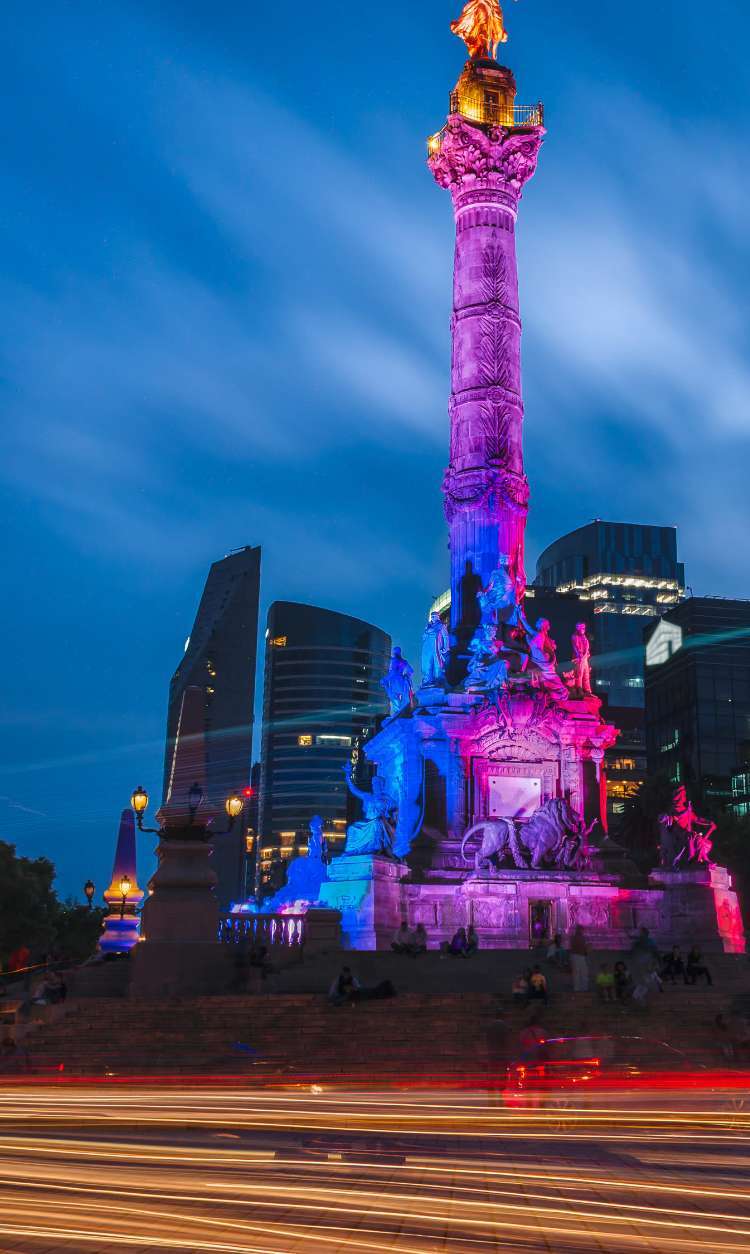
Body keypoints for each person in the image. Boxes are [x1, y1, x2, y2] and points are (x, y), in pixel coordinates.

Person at [569, 925, 589, 993]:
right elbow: (573, 947)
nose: (581, 931)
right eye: (580, 929)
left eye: (582, 930)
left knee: (584, 973)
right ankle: (577, 989)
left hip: (582, 956)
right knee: (576, 973)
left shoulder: (583, 938)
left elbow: (585, 948)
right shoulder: (573, 938)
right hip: (575, 956)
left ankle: (584, 988)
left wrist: (586, 951)